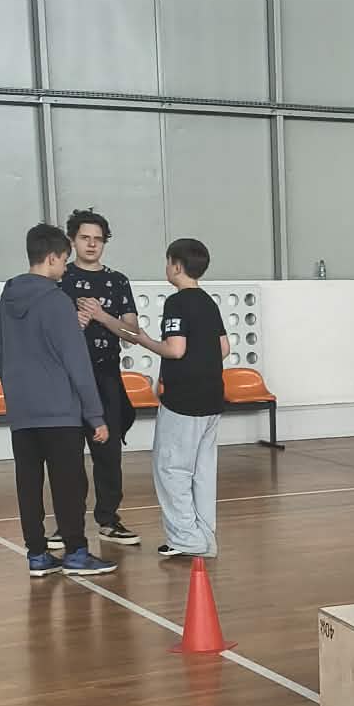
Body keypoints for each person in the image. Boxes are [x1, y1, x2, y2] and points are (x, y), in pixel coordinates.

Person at [0, 224, 116, 580]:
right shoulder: (57, 301)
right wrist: (96, 416)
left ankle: (37, 555)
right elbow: (77, 363)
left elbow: (2, 354)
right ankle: (76, 553)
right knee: (68, 485)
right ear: (51, 258)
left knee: (28, 484)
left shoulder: (6, 300)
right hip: (59, 411)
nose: (65, 267)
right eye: (63, 260)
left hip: (22, 411)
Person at [133, 237, 230, 560]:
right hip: (212, 398)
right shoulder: (208, 302)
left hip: (184, 400)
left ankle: (186, 539)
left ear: (176, 266)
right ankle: (204, 536)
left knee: (172, 469)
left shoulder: (177, 303)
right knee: (203, 471)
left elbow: (175, 349)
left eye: (168, 262)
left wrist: (145, 340)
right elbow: (223, 348)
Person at [59, 207, 140, 549]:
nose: (92, 244)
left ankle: (108, 519)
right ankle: (68, 525)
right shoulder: (58, 278)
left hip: (106, 376)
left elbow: (132, 334)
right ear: (72, 241)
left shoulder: (118, 281)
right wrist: (74, 324)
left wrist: (101, 316)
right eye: (85, 238)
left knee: (108, 453)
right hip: (65, 380)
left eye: (98, 239)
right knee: (67, 455)